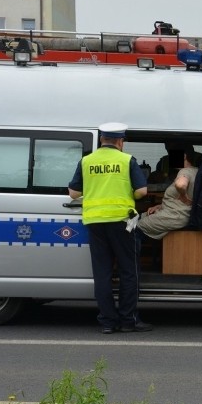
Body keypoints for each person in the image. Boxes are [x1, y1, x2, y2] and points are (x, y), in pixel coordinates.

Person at [68, 122, 153, 334]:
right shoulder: (126, 160)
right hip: (122, 222)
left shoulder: (87, 161)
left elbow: (73, 193)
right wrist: (129, 194)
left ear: (101, 140)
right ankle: (128, 321)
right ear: (119, 141)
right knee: (128, 272)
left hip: (95, 223)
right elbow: (142, 191)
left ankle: (107, 322)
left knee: (102, 273)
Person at [138, 148, 201, 239]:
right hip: (173, 213)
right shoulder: (195, 170)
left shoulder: (185, 171)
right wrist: (160, 206)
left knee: (133, 227)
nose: (169, 158)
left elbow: (181, 185)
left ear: (184, 156)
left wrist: (184, 197)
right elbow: (178, 198)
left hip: (175, 216)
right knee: (139, 217)